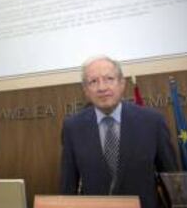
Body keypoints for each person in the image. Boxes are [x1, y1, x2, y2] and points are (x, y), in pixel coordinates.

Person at [60, 55, 177, 208]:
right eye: (93, 81)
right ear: (86, 90)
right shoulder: (72, 127)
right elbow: (68, 185)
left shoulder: (152, 121)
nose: (102, 87)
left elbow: (172, 178)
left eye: (109, 79)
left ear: (122, 83)